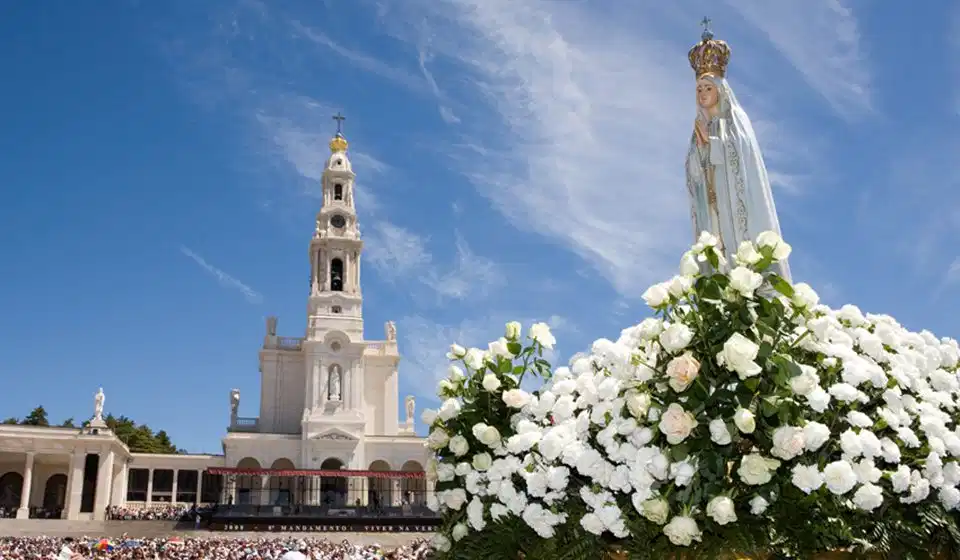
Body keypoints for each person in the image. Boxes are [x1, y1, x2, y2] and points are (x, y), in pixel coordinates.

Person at [685, 21, 792, 281]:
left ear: (720, 90)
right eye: (699, 89)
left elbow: (741, 153)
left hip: (734, 205)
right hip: (713, 209)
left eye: (708, 88)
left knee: (741, 257)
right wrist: (699, 152)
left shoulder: (735, 120)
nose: (702, 94)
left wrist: (713, 143)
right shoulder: (699, 127)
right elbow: (693, 172)